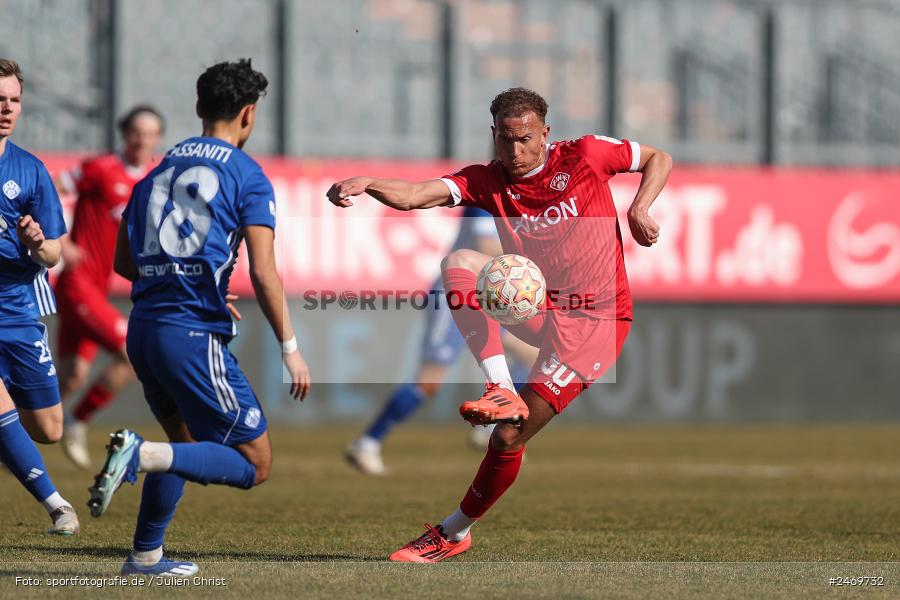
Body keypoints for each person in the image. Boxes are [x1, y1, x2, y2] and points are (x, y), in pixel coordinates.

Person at [327, 87, 671, 562]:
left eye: (526, 139)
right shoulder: (487, 180)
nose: (515, 151)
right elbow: (414, 195)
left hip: (598, 319)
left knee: (507, 437)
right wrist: (367, 181)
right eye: (505, 140)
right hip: (547, 306)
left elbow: (659, 157)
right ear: (494, 135)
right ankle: (500, 386)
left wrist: (640, 207)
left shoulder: (587, 155)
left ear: (545, 133)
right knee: (460, 262)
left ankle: (452, 532)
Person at [89, 58, 311, 577]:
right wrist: (290, 347)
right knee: (255, 464)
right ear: (249, 114)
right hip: (190, 335)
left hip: (142, 331)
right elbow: (263, 271)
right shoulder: (246, 175)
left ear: (197, 108)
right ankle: (139, 456)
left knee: (184, 443)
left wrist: (186, 280)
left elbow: (125, 263)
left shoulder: (155, 172)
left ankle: (145, 557)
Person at [344, 205, 538, 475]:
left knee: (531, 356)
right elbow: (485, 244)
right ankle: (367, 443)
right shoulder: (486, 196)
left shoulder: (522, 199)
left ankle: (491, 428)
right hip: (457, 293)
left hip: (493, 295)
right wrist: (532, 256)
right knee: (428, 382)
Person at [55, 105, 164, 469]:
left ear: (157, 139)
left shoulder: (154, 178)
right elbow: (48, 190)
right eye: (136, 132)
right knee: (132, 354)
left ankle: (12, 433)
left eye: (149, 134)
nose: (142, 140)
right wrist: (59, 239)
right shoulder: (99, 169)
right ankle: (76, 421)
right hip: (76, 284)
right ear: (124, 133)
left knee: (71, 375)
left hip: (96, 288)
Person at [0, 58, 79, 535]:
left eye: (13, 101)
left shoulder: (29, 170)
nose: (6, 109)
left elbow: (54, 254)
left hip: (19, 309)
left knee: (49, 430)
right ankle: (57, 507)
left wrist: (35, 243)